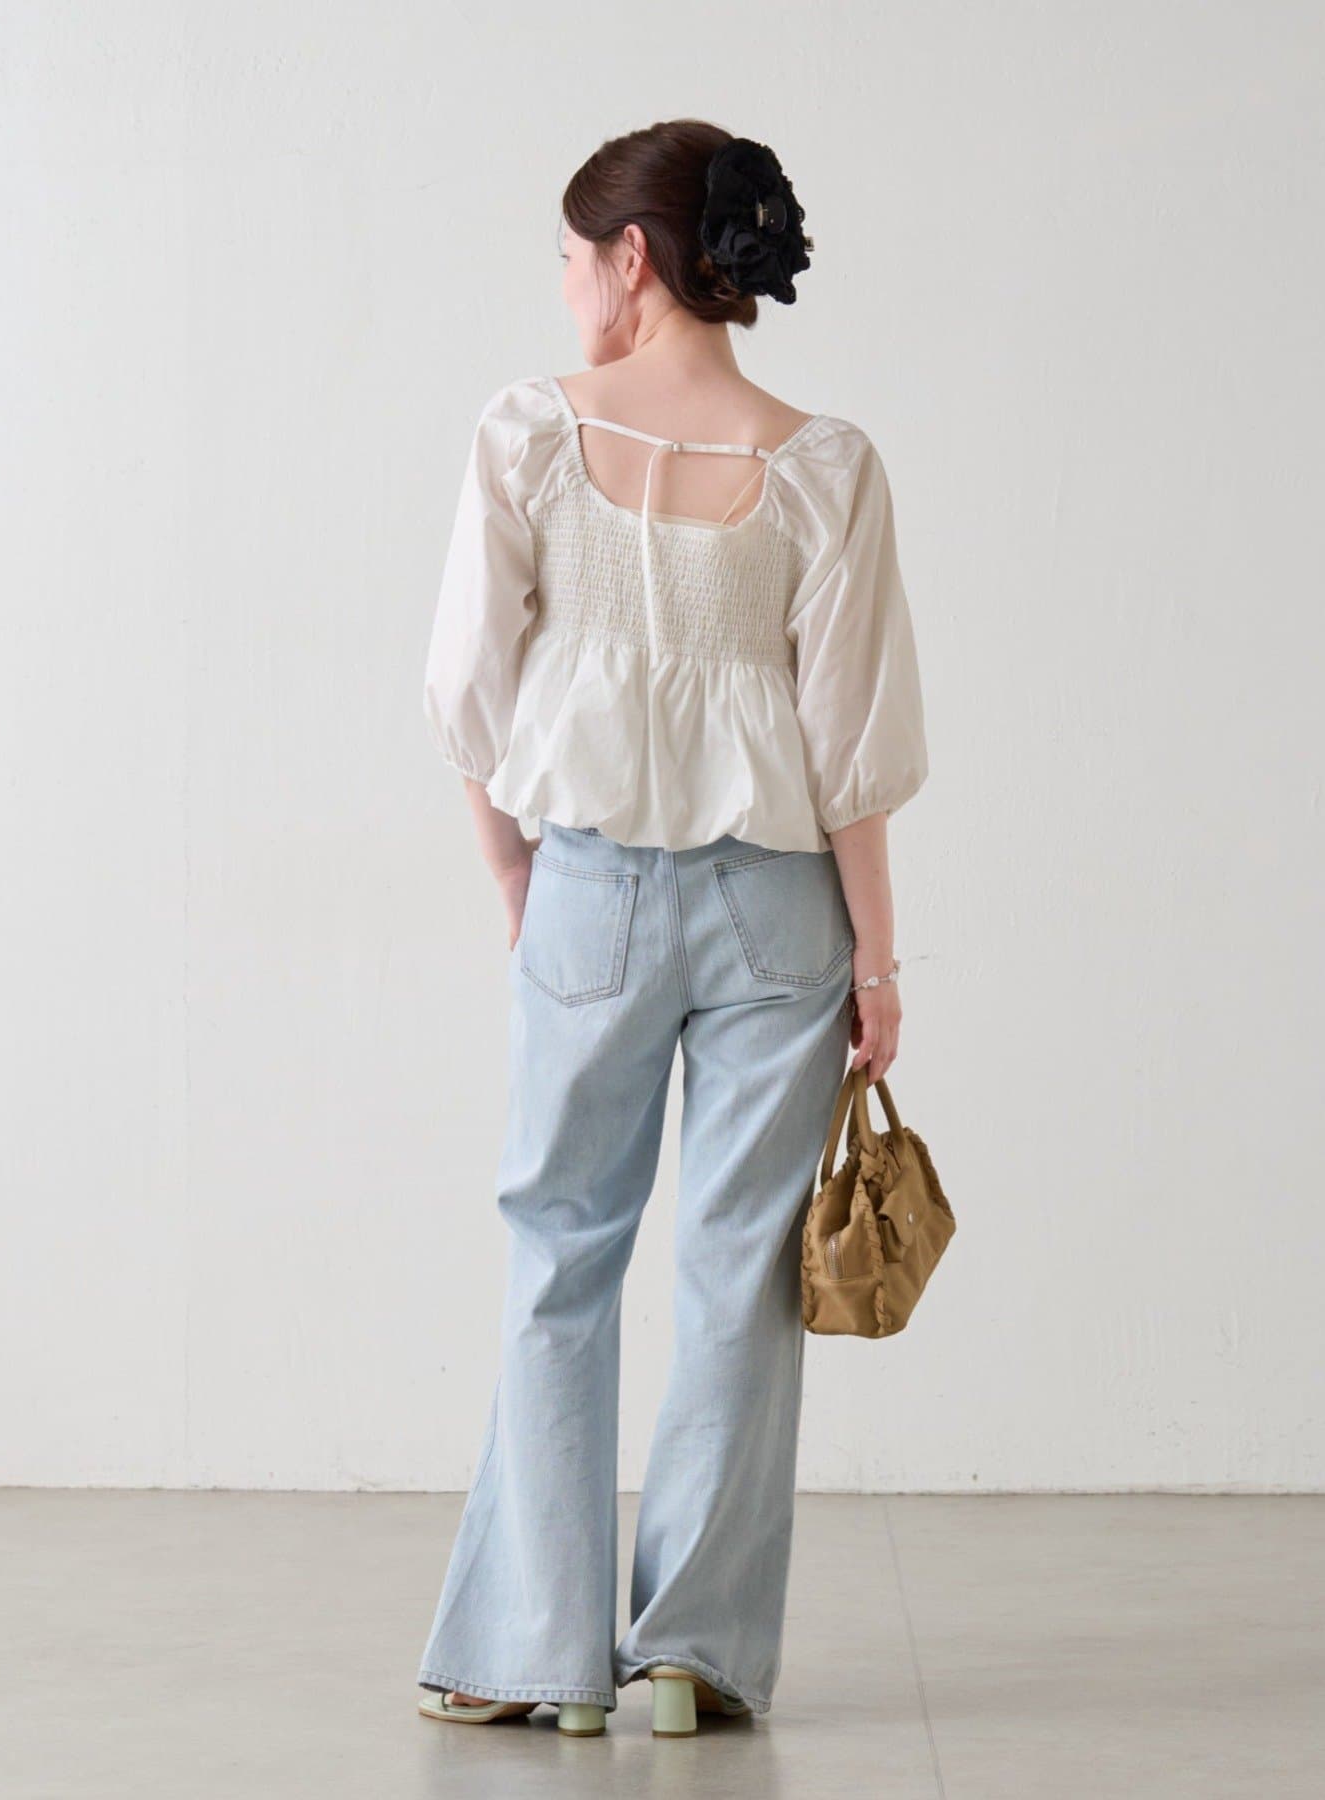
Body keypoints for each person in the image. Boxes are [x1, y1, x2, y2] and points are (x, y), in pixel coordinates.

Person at [415, 120, 928, 1740]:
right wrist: (877, 963)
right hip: (780, 906)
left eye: (574, 257)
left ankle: (537, 1654)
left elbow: (466, 692)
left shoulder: (529, 434)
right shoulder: (825, 464)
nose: (568, 286)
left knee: (559, 1250)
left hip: (590, 886)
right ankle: (696, 1651)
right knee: (739, 1274)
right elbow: (854, 751)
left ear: (630, 258)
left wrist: (515, 874)